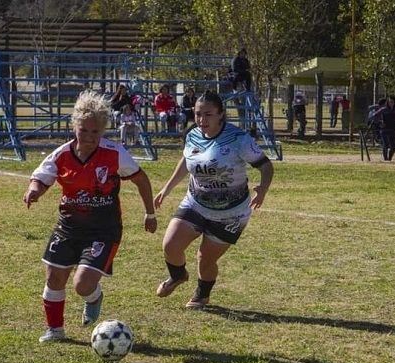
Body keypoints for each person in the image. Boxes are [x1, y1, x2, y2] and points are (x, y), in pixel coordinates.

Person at [22, 90, 157, 343]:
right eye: (83, 130)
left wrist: (150, 213)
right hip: (68, 227)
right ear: (74, 126)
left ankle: (93, 296)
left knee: (82, 284)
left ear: (103, 130)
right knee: (54, 276)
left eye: (95, 132)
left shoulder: (114, 153)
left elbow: (140, 179)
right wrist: (34, 191)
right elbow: (41, 178)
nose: (89, 137)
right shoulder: (62, 154)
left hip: (103, 230)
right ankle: (55, 330)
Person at [152, 90, 274, 309]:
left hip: (231, 213)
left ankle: (202, 294)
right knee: (170, 245)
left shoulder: (238, 139)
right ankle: (178, 276)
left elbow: (265, 165)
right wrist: (166, 189)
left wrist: (263, 189)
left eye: (208, 114)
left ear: (221, 115)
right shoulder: (192, 135)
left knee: (205, 259)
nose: (201, 120)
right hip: (196, 203)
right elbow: (187, 159)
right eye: (198, 114)